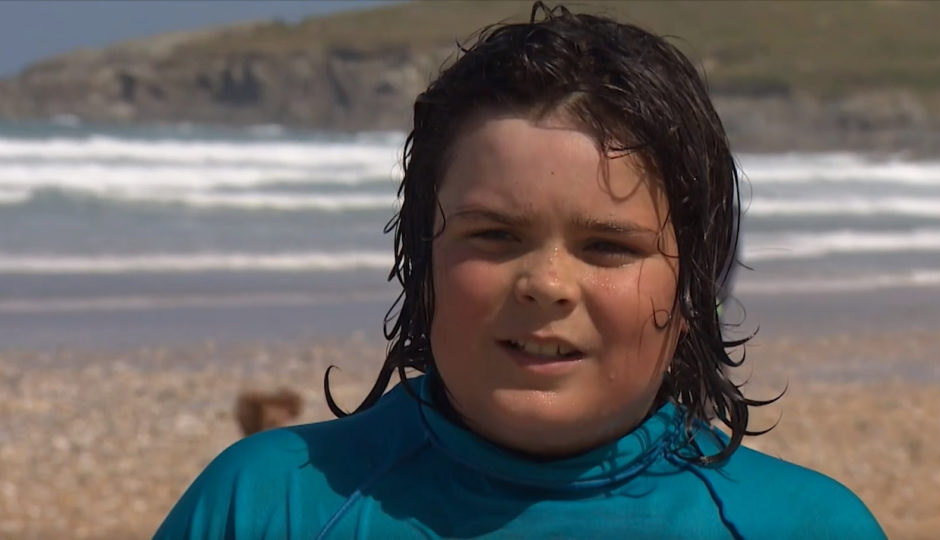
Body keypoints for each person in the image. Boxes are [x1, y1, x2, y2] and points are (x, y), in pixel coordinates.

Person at [154, 3, 886, 538]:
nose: (547, 283)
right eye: (496, 235)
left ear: (695, 286)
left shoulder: (802, 526)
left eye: (608, 247)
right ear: (422, 261)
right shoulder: (266, 507)